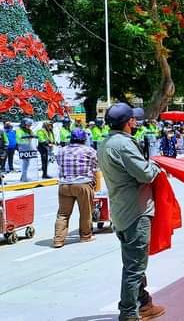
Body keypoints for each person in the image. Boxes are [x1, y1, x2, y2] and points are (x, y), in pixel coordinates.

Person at [98, 103, 165, 321]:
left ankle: (144, 303)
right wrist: (156, 165)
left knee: (134, 261)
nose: (135, 123)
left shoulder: (105, 142)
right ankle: (128, 312)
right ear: (129, 122)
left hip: (121, 210)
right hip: (135, 212)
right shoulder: (123, 145)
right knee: (134, 267)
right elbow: (145, 174)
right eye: (133, 120)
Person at [53, 128, 98, 248]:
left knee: (63, 214)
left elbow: (59, 163)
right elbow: (95, 166)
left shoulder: (61, 151)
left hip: (64, 185)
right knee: (85, 212)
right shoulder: (89, 151)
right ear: (84, 139)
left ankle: (58, 240)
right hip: (83, 184)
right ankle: (85, 236)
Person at [17, 118, 36, 182]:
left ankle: (23, 177)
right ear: (23, 124)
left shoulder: (29, 130)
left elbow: (33, 135)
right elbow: (19, 137)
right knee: (25, 163)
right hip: (23, 148)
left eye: (30, 125)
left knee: (27, 163)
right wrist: (27, 137)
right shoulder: (19, 130)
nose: (29, 126)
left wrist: (34, 136)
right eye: (28, 125)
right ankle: (24, 177)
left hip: (29, 147)